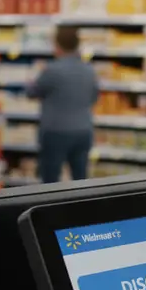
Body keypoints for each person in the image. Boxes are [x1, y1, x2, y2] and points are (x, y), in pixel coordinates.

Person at [30, 27, 98, 183]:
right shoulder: (89, 70)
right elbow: (94, 97)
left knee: (50, 182)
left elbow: (32, 92)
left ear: (57, 45)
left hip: (55, 131)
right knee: (81, 181)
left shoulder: (52, 70)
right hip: (83, 131)